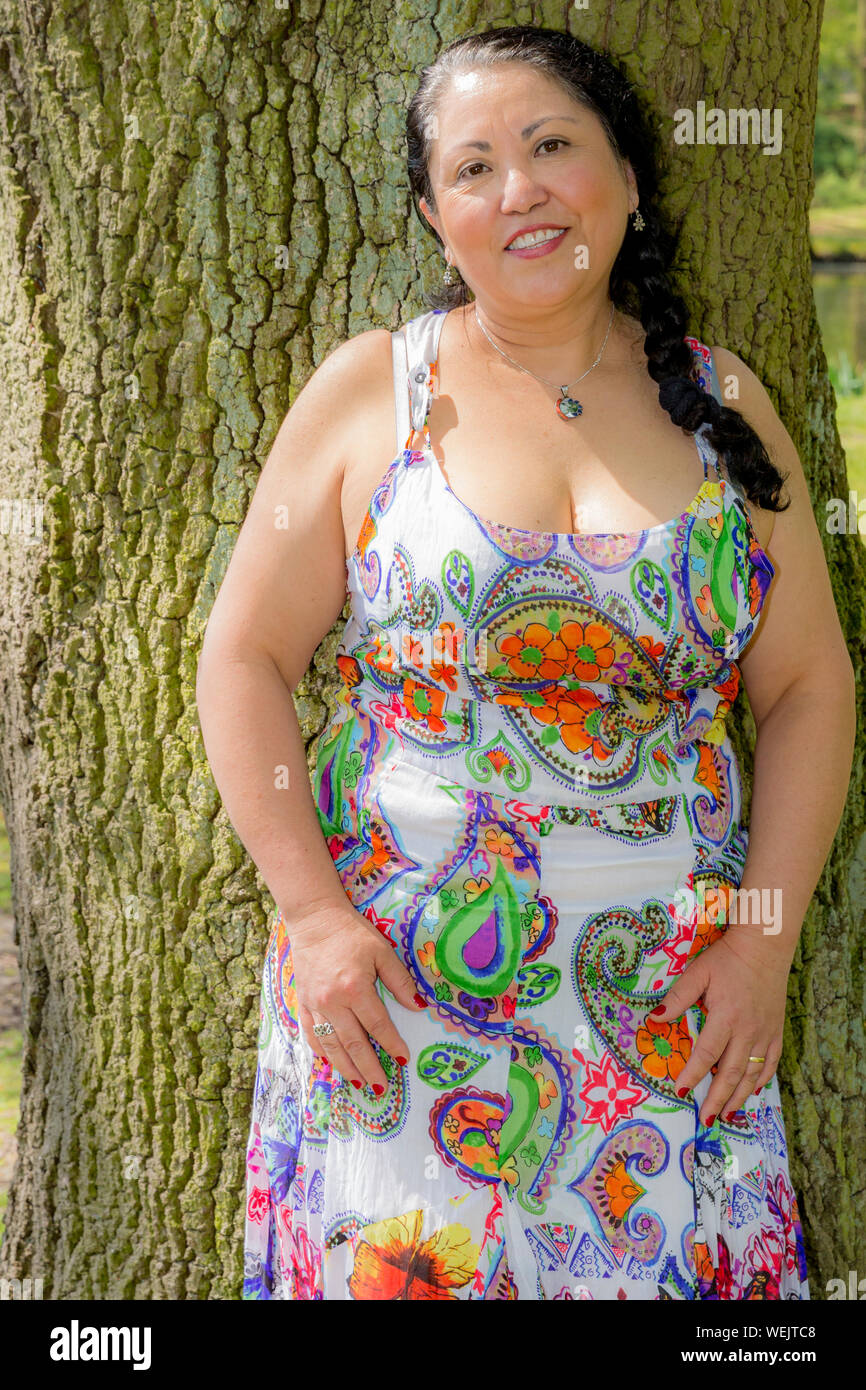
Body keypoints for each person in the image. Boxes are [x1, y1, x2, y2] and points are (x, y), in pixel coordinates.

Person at [196, 26, 856, 1300]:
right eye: (475, 168)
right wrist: (315, 919)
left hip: (674, 1004)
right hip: (400, 1001)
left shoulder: (720, 401)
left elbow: (806, 686)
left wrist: (763, 944)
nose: (520, 191)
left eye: (552, 147)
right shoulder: (369, 395)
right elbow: (242, 659)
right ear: (436, 217)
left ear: (623, 175)